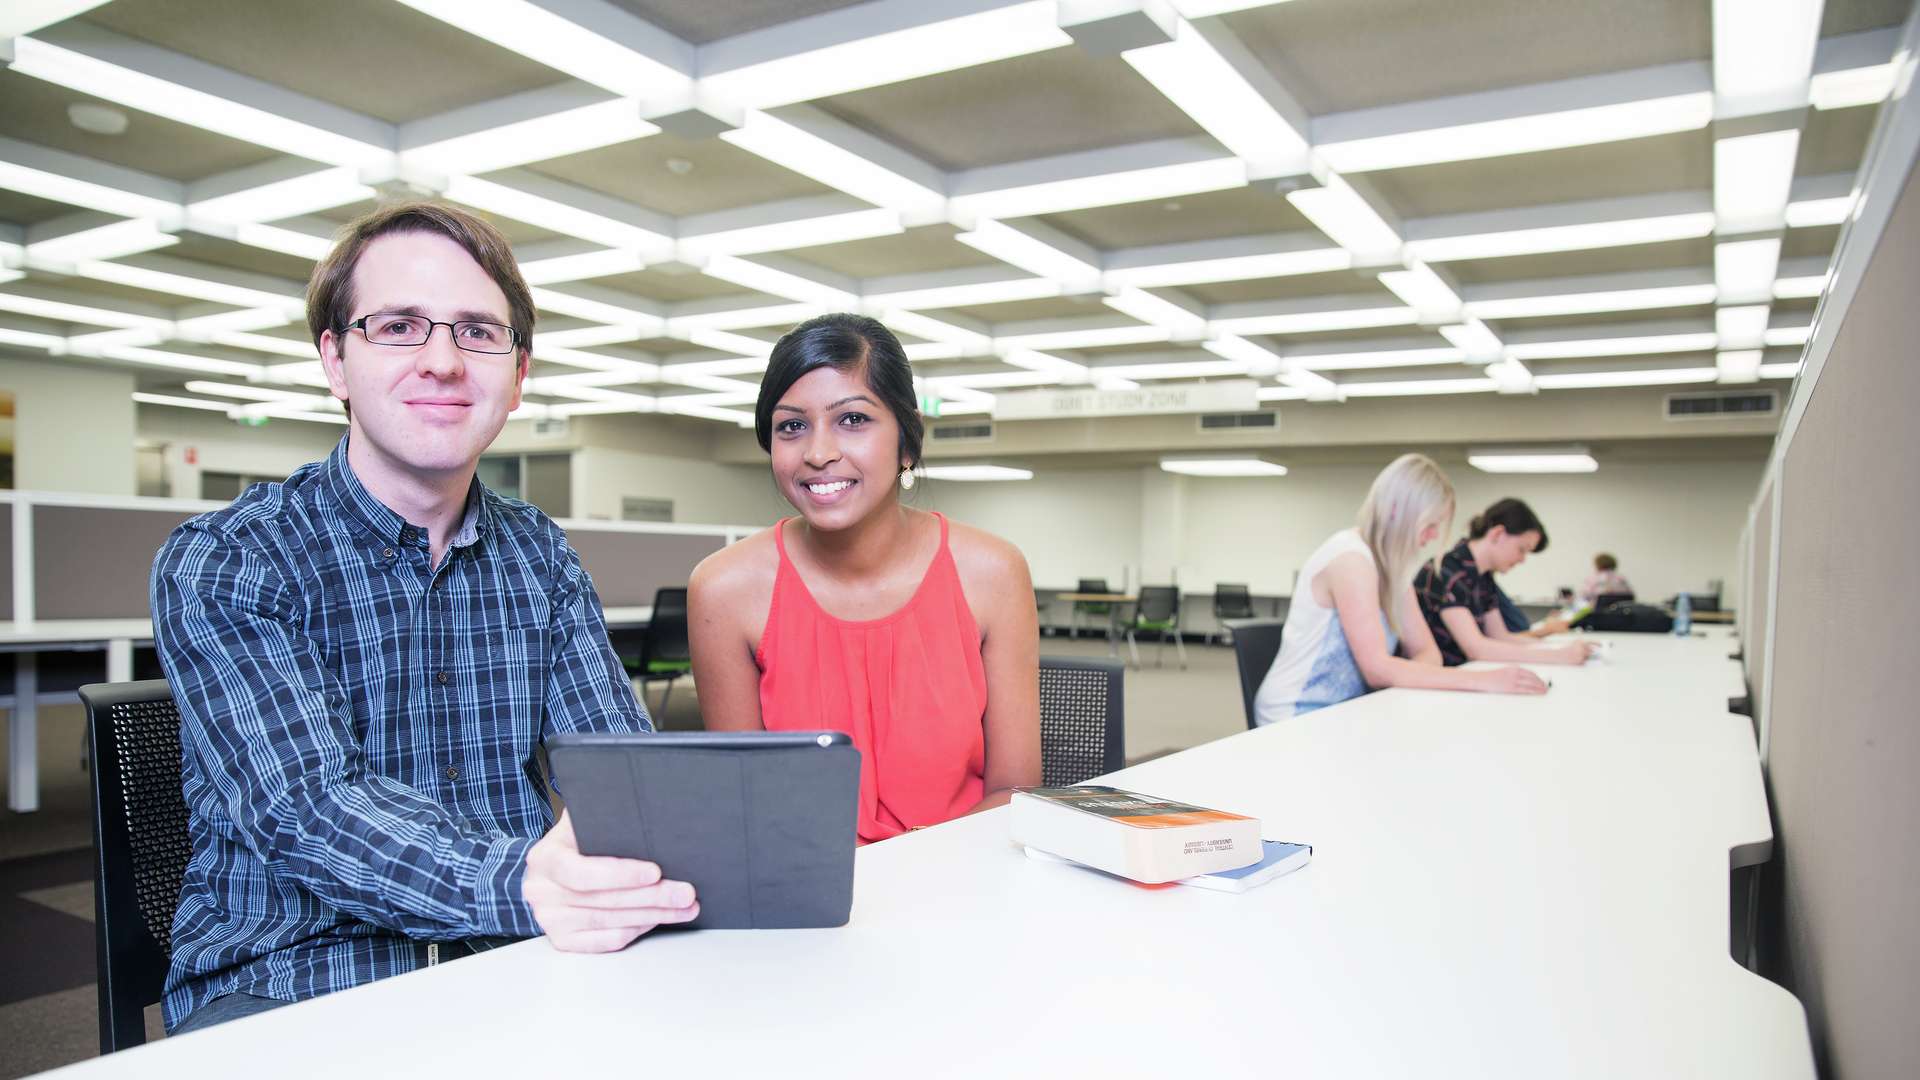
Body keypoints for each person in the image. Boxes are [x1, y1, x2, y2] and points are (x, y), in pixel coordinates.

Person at [150, 203, 697, 1035]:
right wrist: (523, 881)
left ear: (518, 374)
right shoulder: (231, 558)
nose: (442, 360)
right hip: (296, 979)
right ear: (336, 360)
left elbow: (620, 773)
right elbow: (309, 809)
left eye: (478, 331)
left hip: (515, 959)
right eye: (399, 326)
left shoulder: (538, 554)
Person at [688, 314, 1041, 842]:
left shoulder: (992, 573)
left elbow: (1015, 791)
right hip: (803, 881)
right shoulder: (724, 589)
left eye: (852, 419)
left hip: (963, 873)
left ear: (906, 442)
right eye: (792, 425)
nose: (818, 452)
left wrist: (911, 872)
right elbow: (746, 797)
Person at [1253, 454, 1548, 724]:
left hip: (1346, 710)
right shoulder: (1352, 559)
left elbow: (1426, 650)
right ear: (1397, 510)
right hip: (1296, 714)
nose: (1433, 536)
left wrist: (1409, 670)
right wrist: (1483, 680)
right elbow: (1377, 669)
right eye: (1430, 524)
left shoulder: (1397, 568)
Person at [1415, 498, 1598, 667]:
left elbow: (1500, 637)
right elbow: (1476, 649)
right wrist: (1559, 656)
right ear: (1498, 534)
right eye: (1522, 549)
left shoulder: (1483, 577)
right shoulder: (1446, 570)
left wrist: (1559, 649)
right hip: (1438, 680)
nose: (1522, 559)